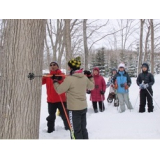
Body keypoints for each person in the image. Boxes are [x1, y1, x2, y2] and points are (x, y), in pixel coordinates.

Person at [52, 57, 94, 139]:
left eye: (69, 66)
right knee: (83, 128)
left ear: (71, 68)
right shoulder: (84, 78)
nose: (68, 68)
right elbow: (91, 86)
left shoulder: (70, 79)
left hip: (74, 110)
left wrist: (55, 81)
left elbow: (59, 90)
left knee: (75, 130)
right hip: (83, 107)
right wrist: (90, 77)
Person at [42, 61, 69, 133]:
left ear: (57, 66)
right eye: (51, 65)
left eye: (54, 65)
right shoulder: (48, 76)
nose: (52, 66)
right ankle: (50, 130)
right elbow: (41, 82)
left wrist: (58, 79)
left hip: (61, 100)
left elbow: (64, 81)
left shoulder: (61, 74)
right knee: (51, 116)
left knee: (65, 115)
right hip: (51, 100)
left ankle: (68, 128)